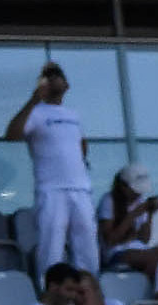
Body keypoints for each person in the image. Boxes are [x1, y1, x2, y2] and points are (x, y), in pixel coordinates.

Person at [9, 63, 98, 278]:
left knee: (87, 242)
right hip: (51, 188)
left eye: (58, 75)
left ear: (66, 84)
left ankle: (89, 288)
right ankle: (49, 291)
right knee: (52, 245)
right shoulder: (36, 112)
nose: (54, 79)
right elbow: (12, 134)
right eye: (49, 76)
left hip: (80, 188)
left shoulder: (73, 114)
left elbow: (81, 143)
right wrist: (33, 100)